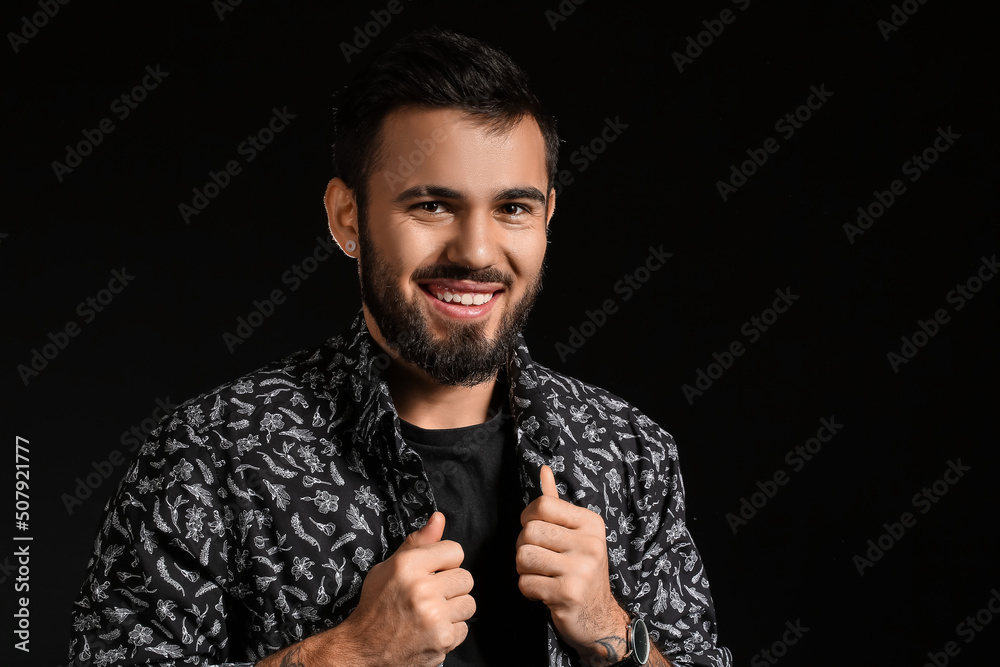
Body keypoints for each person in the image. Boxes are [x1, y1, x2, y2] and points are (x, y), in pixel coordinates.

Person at [67, 28, 732, 667]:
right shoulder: (210, 452)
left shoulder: (632, 454)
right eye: (432, 205)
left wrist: (611, 627)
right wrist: (343, 655)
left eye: (513, 208)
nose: (476, 251)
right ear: (346, 217)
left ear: (547, 218)